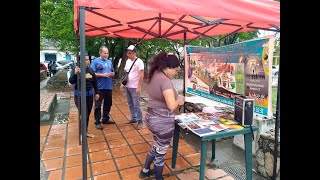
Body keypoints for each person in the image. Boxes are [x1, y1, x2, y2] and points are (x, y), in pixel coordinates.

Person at [139, 51, 185, 180]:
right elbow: (171, 106)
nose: (176, 74)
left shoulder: (155, 74)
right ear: (169, 67)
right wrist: (180, 101)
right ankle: (158, 177)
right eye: (175, 71)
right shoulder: (165, 81)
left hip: (151, 117)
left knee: (157, 145)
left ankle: (145, 170)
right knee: (161, 151)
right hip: (162, 122)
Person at [68, 56, 100, 138]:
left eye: (88, 59)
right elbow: (71, 81)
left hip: (89, 96)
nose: (88, 61)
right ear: (80, 61)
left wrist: (97, 93)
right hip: (79, 96)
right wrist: (75, 73)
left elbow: (95, 82)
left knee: (87, 114)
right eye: (85, 59)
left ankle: (85, 131)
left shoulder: (90, 70)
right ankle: (83, 132)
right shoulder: (76, 69)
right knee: (84, 114)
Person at [90, 46, 116, 130]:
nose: (106, 55)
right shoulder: (95, 62)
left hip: (108, 87)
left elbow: (113, 71)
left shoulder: (109, 62)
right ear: (100, 53)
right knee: (98, 105)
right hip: (99, 88)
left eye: (107, 53)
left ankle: (105, 119)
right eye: (104, 53)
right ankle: (97, 121)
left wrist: (112, 74)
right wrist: (102, 75)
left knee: (108, 104)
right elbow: (92, 74)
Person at [120, 45, 144, 130]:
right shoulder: (128, 61)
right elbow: (126, 72)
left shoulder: (139, 62)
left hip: (135, 87)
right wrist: (123, 83)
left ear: (134, 53)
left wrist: (139, 86)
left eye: (130, 53)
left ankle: (140, 120)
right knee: (130, 104)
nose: (128, 54)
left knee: (136, 104)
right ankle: (134, 118)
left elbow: (141, 75)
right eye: (127, 53)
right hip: (128, 86)